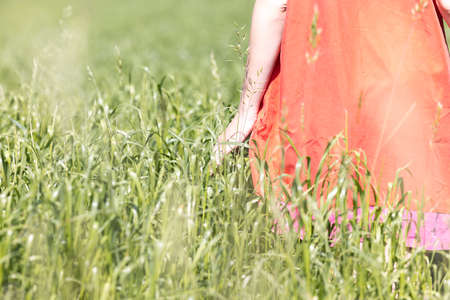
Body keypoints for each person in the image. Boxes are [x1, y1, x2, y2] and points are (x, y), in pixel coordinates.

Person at [212, 0, 450, 251]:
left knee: (323, 247)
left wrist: (246, 110)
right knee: (404, 233)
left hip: (322, 94)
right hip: (405, 88)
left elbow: (275, 7)